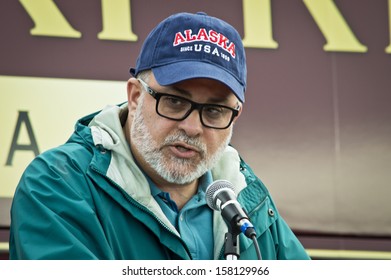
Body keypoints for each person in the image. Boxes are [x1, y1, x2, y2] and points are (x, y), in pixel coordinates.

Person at [9, 12, 310, 260]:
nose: (193, 128)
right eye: (175, 102)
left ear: (235, 116)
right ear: (136, 96)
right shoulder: (57, 184)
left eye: (215, 110)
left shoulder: (250, 203)